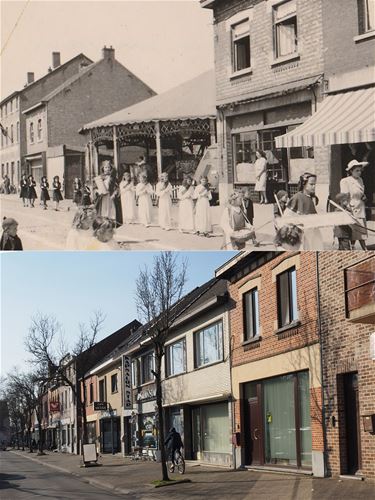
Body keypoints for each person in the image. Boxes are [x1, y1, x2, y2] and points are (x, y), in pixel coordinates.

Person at [287, 172, 324, 250]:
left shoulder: (312, 198)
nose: (314, 187)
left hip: (313, 231)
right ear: (304, 184)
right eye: (311, 184)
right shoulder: (297, 197)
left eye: (315, 184)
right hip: (302, 232)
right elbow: (287, 216)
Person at [340, 159, 369, 250]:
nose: (359, 172)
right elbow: (344, 196)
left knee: (360, 231)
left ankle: (357, 248)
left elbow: (361, 192)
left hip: (360, 207)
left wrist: (364, 197)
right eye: (357, 170)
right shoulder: (345, 181)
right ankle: (362, 249)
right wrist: (347, 207)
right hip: (352, 208)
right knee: (356, 231)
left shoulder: (360, 180)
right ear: (351, 171)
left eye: (360, 170)